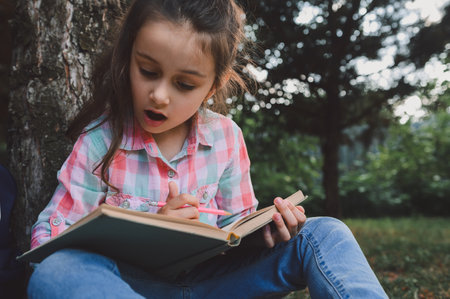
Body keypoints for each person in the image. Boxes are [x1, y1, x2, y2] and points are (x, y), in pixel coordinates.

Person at [27, 0, 388, 298]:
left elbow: (236, 229)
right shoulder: (99, 141)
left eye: (184, 84)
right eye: (148, 71)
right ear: (128, 57)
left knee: (325, 233)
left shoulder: (225, 137)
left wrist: (269, 232)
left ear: (212, 86)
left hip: (215, 284)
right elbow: (49, 242)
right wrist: (152, 236)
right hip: (129, 287)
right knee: (56, 273)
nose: (160, 95)